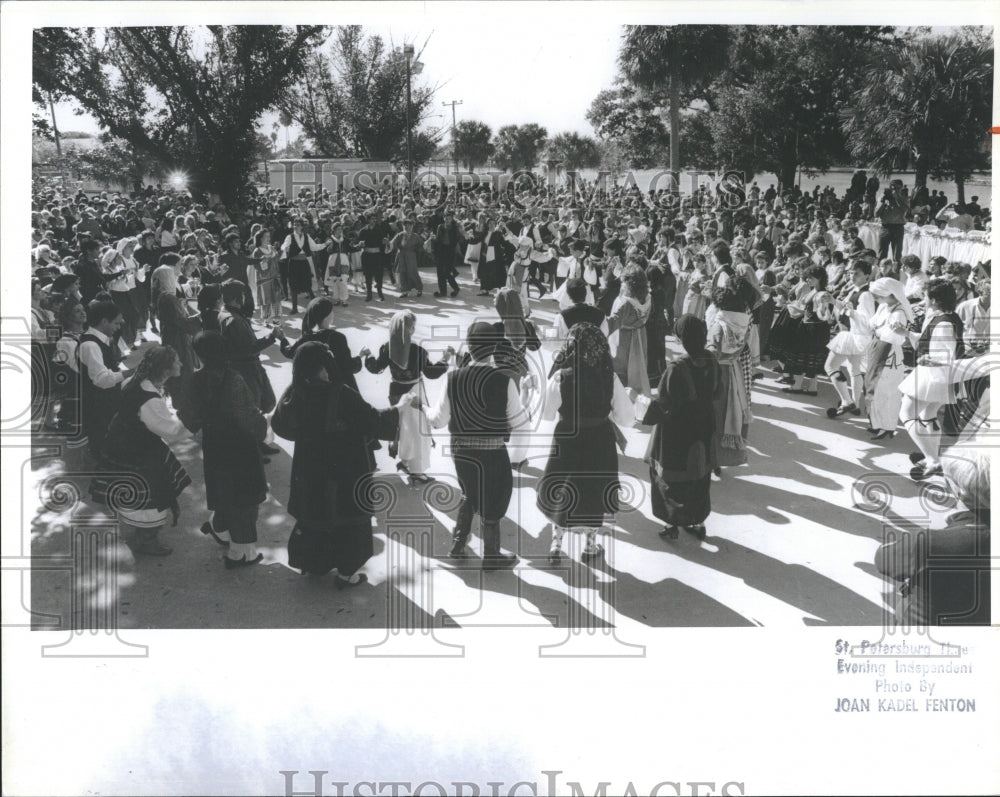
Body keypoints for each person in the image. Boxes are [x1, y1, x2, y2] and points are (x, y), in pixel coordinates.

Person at [271, 342, 400, 586]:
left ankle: (314, 563)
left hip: (308, 467)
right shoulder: (340, 393)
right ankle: (346, 573)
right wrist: (400, 411)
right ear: (322, 366)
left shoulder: (294, 392)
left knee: (314, 515)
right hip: (344, 467)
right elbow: (373, 420)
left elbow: (280, 426)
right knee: (347, 521)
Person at [422, 322, 531, 570]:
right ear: (494, 348)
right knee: (494, 500)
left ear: (469, 348)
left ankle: (458, 544)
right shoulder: (504, 381)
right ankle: (491, 556)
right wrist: (524, 395)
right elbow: (518, 422)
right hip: (493, 452)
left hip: (461, 451)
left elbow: (438, 420)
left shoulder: (453, 379)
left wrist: (423, 407)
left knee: (470, 491)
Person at [538, 322, 634, 563]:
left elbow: (547, 413)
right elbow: (626, 418)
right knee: (593, 489)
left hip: (567, 438)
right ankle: (590, 545)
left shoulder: (562, 376)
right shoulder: (609, 377)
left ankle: (556, 545)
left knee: (562, 488)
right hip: (599, 438)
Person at [94, 346, 191, 556]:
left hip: (122, 443)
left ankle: (141, 532)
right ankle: (147, 540)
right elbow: (171, 431)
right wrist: (194, 423)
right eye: (177, 361)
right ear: (165, 368)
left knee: (133, 491)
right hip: (138, 450)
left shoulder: (135, 382)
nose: (181, 364)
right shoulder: (150, 400)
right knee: (151, 492)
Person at [186, 332, 269, 568]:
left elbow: (190, 416)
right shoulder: (233, 379)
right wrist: (263, 430)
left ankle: (220, 528)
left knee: (225, 492)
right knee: (245, 500)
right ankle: (240, 554)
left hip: (214, 445)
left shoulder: (196, 379)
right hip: (240, 447)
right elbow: (248, 416)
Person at [642, 315, 723, 540]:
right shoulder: (713, 362)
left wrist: (642, 409)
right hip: (703, 427)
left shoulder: (676, 368)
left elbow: (664, 403)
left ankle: (672, 526)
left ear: (682, 340)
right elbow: (718, 393)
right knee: (699, 476)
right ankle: (698, 522)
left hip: (676, 433)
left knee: (670, 479)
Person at [365, 310, 454, 483]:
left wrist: (368, 356)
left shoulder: (386, 348)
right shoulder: (418, 351)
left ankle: (405, 461)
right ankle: (417, 472)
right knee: (417, 433)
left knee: (403, 428)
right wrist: (446, 358)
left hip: (396, 392)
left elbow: (375, 367)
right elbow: (431, 373)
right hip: (414, 392)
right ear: (411, 330)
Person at [898, 279, 965, 480]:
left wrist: (928, 359)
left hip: (933, 376)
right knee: (929, 415)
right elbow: (928, 339)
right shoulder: (947, 317)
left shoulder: (943, 322)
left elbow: (947, 355)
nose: (924, 299)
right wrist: (906, 332)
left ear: (934, 300)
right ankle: (931, 457)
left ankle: (933, 460)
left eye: (926, 296)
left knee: (907, 413)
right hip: (942, 378)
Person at [217, 280, 284, 456]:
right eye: (243, 295)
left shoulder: (228, 314)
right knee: (253, 408)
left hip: (246, 367)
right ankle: (252, 449)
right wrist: (272, 336)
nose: (245, 298)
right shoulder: (234, 320)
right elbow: (248, 349)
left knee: (262, 404)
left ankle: (257, 442)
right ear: (237, 298)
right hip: (246, 370)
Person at [706, 282, 753, 468]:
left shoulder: (719, 326)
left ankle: (711, 459)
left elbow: (710, 353)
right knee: (729, 413)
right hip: (734, 372)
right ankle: (721, 459)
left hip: (717, 373)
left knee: (714, 416)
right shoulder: (743, 323)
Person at [280, 297, 369, 393]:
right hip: (337, 392)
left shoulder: (305, 338)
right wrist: (360, 356)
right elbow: (348, 367)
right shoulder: (338, 338)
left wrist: (282, 339)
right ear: (327, 316)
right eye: (331, 311)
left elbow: (289, 352)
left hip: (314, 391)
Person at [77, 299, 129, 460]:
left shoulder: (100, 341)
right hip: (98, 406)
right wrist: (130, 373)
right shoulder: (90, 345)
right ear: (104, 321)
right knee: (103, 448)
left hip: (105, 403)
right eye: (116, 323)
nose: (118, 327)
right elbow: (102, 380)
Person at [825, 259, 875, 418]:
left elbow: (868, 320)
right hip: (855, 336)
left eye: (857, 274)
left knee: (830, 367)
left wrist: (851, 312)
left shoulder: (866, 294)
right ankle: (855, 404)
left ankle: (847, 401)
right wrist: (833, 301)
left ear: (867, 276)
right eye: (851, 273)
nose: (853, 276)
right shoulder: (855, 290)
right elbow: (846, 307)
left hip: (857, 336)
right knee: (854, 371)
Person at [865, 277, 912, 441]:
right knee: (874, 388)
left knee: (888, 392)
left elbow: (896, 338)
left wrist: (879, 330)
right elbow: (872, 323)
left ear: (889, 294)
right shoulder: (884, 307)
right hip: (878, 348)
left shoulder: (899, 313)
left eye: (878, 296)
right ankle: (877, 424)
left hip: (889, 354)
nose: (876, 299)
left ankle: (888, 427)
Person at [610, 264, 652, 396]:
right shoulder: (647, 298)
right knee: (637, 367)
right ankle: (637, 394)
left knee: (622, 368)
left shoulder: (625, 303)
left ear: (629, 283)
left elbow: (612, 322)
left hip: (624, 338)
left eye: (623, 282)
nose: (621, 284)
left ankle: (622, 398)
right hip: (640, 334)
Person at [279, 218, 320, 312]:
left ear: (302, 226)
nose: (295, 226)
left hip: (304, 263)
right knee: (293, 285)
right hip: (293, 263)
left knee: (307, 284)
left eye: (298, 224)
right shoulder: (290, 237)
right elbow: (283, 245)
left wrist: (325, 244)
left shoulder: (306, 236)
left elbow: (314, 247)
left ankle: (316, 305)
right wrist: (285, 248)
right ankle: (294, 308)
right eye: (294, 224)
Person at [249, 229, 282, 321]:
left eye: (269, 236)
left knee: (276, 300)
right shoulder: (257, 251)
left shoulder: (271, 248)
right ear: (260, 238)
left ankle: (276, 321)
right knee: (266, 301)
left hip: (274, 278)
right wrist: (270, 260)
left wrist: (281, 251)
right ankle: (266, 320)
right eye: (266, 236)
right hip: (264, 280)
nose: (268, 238)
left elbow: (278, 259)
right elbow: (260, 268)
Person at [390, 218, 424, 299]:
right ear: (403, 226)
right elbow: (393, 243)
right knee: (403, 272)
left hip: (411, 256)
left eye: (409, 225)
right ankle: (404, 291)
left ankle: (419, 289)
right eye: (405, 226)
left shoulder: (415, 236)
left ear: (412, 226)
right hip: (401, 255)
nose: (407, 227)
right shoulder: (400, 235)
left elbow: (421, 246)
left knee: (413, 272)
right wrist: (388, 243)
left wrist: (421, 248)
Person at [433, 209, 463, 298]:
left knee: (446, 272)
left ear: (452, 219)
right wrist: (434, 238)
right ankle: (443, 292)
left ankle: (456, 288)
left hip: (450, 251)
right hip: (441, 251)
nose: (447, 220)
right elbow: (438, 239)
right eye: (446, 218)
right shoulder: (440, 227)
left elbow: (459, 239)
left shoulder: (455, 228)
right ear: (444, 219)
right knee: (439, 272)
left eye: (449, 218)